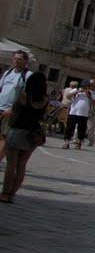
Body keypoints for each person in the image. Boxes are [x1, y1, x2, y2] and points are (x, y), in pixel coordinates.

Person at [1, 71, 48, 203]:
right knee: (21, 166)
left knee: (11, 165)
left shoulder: (23, 96)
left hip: (17, 131)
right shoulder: (45, 100)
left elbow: (14, 111)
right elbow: (43, 116)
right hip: (32, 134)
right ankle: (12, 194)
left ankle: (4, 193)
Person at [0, 50, 32, 165]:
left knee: (4, 137)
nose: (16, 61)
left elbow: (27, 96)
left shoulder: (28, 75)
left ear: (25, 61)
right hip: (0, 107)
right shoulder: (8, 72)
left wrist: (14, 109)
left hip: (11, 111)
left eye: (19, 59)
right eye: (15, 58)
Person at [63, 80, 93, 150]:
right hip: (73, 112)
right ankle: (66, 143)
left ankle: (79, 143)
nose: (87, 88)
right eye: (86, 86)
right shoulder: (75, 90)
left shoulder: (90, 93)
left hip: (84, 114)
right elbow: (67, 96)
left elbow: (93, 102)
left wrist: (89, 96)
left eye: (88, 86)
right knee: (69, 128)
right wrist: (78, 91)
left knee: (81, 130)